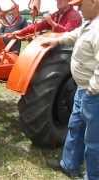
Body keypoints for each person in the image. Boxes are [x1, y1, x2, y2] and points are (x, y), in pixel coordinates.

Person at [42, 0, 99, 179]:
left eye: (81, 4)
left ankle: (93, 176)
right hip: (82, 89)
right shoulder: (89, 24)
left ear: (94, 2)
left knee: (93, 140)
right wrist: (58, 41)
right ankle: (69, 165)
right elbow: (75, 34)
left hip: (93, 94)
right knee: (75, 128)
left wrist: (93, 88)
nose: (78, 8)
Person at [8, 0, 82, 38]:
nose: (58, 1)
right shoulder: (56, 14)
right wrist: (21, 31)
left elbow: (67, 34)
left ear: (69, 1)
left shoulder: (74, 15)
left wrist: (52, 24)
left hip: (68, 50)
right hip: (57, 46)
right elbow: (38, 26)